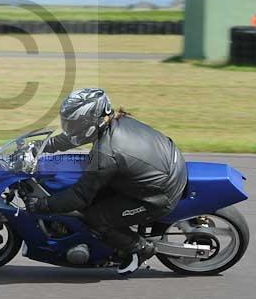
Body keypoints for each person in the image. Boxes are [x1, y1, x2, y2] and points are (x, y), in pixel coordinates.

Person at [25, 88, 188, 275]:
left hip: (158, 196)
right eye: (68, 123)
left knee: (95, 217)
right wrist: (44, 146)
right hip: (168, 163)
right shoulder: (116, 120)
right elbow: (78, 136)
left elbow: (79, 196)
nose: (70, 128)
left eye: (74, 123)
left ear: (92, 121)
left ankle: (140, 249)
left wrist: (42, 204)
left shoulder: (105, 155)